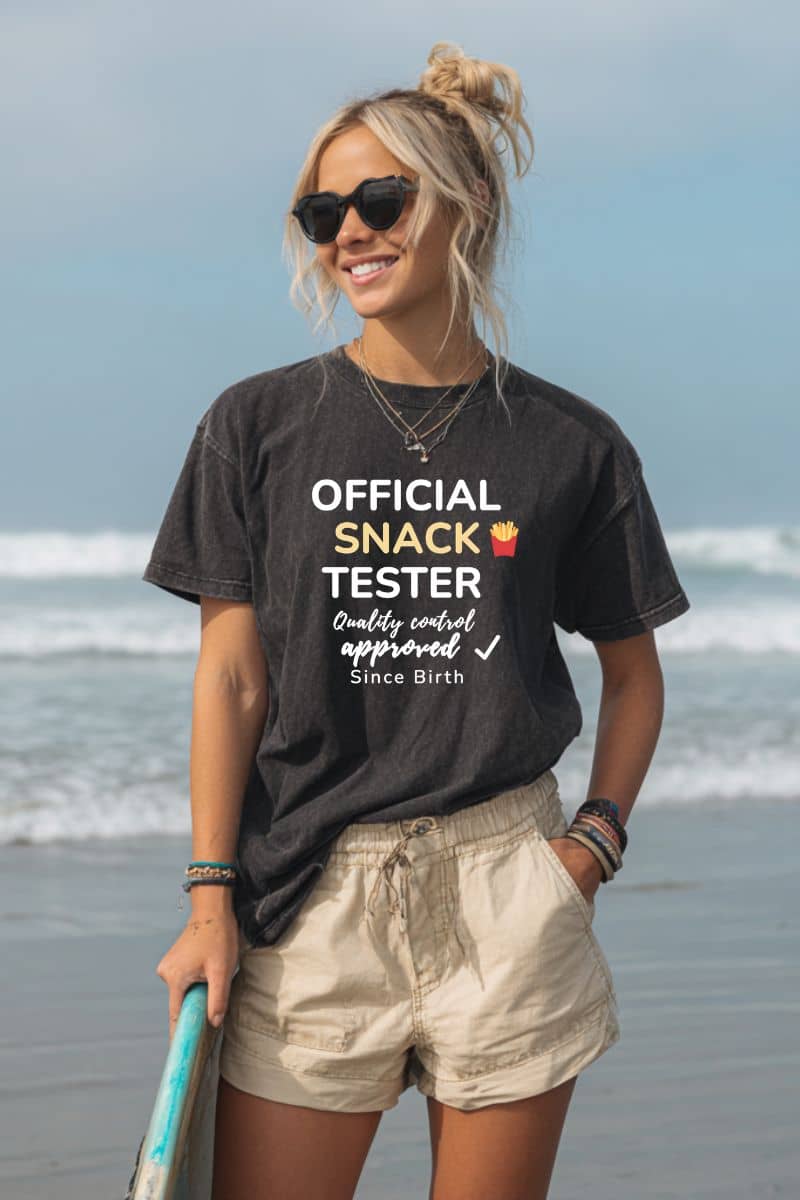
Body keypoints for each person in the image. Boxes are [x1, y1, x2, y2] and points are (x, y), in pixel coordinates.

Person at [142, 40, 690, 1200]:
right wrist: (206, 898)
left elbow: (631, 674)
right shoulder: (255, 427)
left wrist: (586, 852)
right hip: (305, 895)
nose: (349, 229)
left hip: (507, 887)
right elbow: (232, 678)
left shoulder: (569, 444)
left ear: (467, 203)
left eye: (381, 198)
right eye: (321, 209)